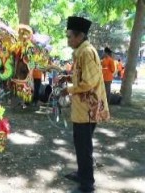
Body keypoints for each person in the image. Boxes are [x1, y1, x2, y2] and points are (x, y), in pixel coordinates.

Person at [59, 16, 110, 193]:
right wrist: (68, 77)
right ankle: (82, 174)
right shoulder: (82, 50)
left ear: (80, 36)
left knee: (84, 146)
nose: (68, 40)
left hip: (88, 108)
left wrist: (69, 89)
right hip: (84, 108)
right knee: (80, 143)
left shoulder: (86, 52)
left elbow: (88, 82)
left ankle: (87, 184)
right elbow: (84, 77)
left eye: (70, 36)